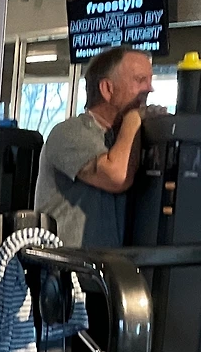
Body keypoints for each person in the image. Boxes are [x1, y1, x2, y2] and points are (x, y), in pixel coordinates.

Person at [34, 45, 153, 247]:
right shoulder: (69, 132)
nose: (149, 89)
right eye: (140, 80)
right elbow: (117, 177)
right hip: (69, 264)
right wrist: (133, 118)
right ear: (107, 89)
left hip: (115, 264)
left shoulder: (126, 136)